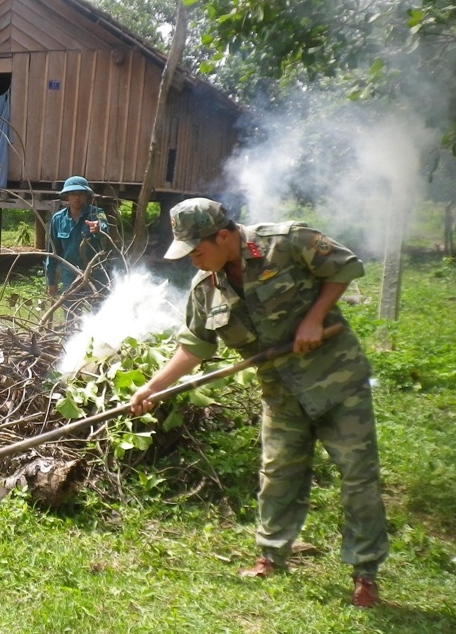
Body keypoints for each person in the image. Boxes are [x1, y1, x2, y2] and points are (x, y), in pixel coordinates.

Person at [130, 198, 389, 608]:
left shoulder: (286, 242)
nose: (194, 261)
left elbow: (345, 265)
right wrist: (152, 387)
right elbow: (195, 347)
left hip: (336, 381)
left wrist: (314, 317)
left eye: (198, 251)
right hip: (281, 391)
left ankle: (365, 573)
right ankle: (271, 557)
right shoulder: (206, 288)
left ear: (225, 236)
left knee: (358, 476)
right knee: (277, 473)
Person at [44, 176, 109, 308]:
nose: (77, 198)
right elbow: (52, 251)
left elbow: (104, 228)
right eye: (73, 194)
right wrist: (51, 281)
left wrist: (98, 229)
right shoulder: (58, 219)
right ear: (67, 196)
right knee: (71, 313)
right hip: (70, 274)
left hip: (95, 272)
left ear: (86, 196)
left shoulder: (98, 213)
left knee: (99, 311)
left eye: (80, 194)